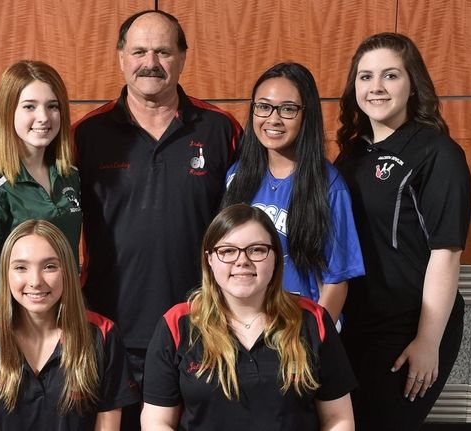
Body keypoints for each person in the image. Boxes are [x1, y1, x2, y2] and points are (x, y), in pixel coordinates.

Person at [73, 11, 242, 427]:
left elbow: (245, 232)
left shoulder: (223, 130)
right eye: (139, 51)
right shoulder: (84, 135)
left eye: (164, 51)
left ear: (183, 57)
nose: (151, 62)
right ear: (120, 57)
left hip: (202, 330)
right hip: (109, 331)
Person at [334, 32, 471, 430]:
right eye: (365, 77)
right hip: (355, 322)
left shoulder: (438, 153)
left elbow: (447, 253)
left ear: (413, 84)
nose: (375, 87)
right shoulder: (351, 154)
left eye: (390, 76)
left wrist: (428, 342)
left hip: (408, 325)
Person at [141, 204, 356, 430]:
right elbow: (157, 421)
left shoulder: (313, 320)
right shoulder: (177, 324)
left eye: (256, 250)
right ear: (210, 260)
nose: (242, 260)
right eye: (227, 251)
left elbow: (338, 419)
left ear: (275, 258)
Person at [0, 220, 140, 430]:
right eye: (21, 267)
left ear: (68, 271)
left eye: (49, 267)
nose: (35, 281)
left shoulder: (103, 335)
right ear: (6, 274)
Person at [221, 62, 365, 325]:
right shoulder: (237, 177)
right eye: (263, 107)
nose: (273, 119)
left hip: (299, 328)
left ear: (306, 115)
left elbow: (337, 281)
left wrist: (315, 343)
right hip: (245, 328)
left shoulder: (329, 186)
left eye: (287, 109)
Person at [0, 60, 81, 323]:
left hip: (65, 326)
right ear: (7, 112)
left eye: (52, 106)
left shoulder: (70, 176)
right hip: (14, 331)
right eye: (29, 107)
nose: (43, 117)